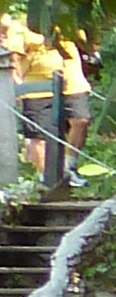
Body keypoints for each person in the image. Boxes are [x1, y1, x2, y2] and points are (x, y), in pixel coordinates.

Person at [10, 19, 82, 194]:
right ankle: (49, 181)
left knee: (80, 120)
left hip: (72, 83)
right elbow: (14, 56)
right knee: (37, 137)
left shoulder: (70, 18)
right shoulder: (23, 26)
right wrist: (18, 85)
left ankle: (68, 167)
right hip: (36, 87)